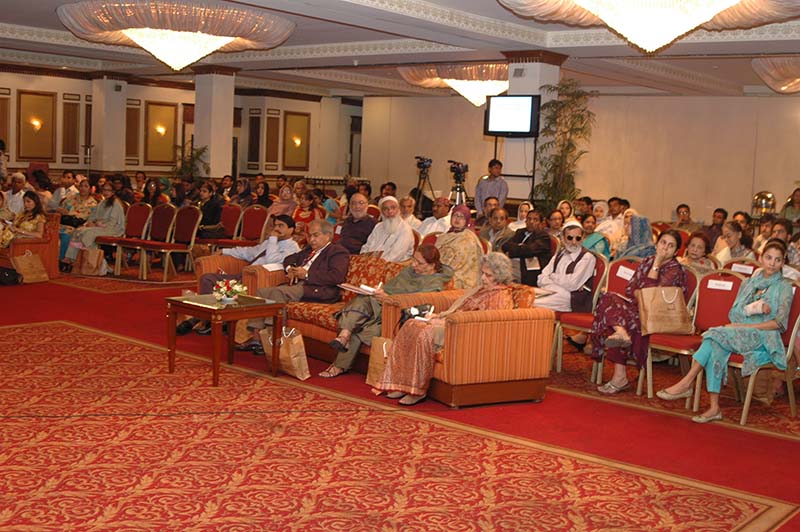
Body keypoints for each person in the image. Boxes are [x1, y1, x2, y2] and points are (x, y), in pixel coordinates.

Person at [657, 239, 793, 423]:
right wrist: (752, 310)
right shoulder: (749, 283)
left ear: (783, 262)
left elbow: (779, 323)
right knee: (715, 344)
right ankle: (714, 408)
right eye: (769, 258)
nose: (772, 263)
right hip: (739, 332)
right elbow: (734, 313)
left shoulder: (784, 287)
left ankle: (687, 382)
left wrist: (747, 326)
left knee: (713, 335)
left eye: (778, 260)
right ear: (761, 258)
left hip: (764, 337)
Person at [376, 252, 515, 406]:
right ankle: (402, 383)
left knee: (423, 332)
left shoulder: (500, 296)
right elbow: (459, 308)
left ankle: (416, 390)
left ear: (500, 277)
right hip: (452, 322)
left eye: (488, 275)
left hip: (464, 330)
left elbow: (486, 324)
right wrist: (440, 317)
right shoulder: (482, 289)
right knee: (410, 325)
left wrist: (444, 322)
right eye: (482, 273)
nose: (483, 278)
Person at [320, 244, 455, 378]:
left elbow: (419, 305)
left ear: (431, 265)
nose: (413, 264)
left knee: (362, 328)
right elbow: (390, 287)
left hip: (397, 313)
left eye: (419, 263)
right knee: (362, 299)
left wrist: (389, 299)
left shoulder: (435, 283)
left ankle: (339, 364)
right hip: (379, 304)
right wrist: (380, 291)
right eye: (413, 259)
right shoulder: (408, 271)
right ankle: (344, 334)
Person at [590, 230, 687, 394]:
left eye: (670, 246)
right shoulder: (647, 261)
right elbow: (630, 289)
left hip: (657, 316)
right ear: (657, 244)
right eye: (663, 242)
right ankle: (620, 334)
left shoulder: (674, 269)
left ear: (676, 252)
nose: (665, 248)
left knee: (621, 320)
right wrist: (640, 293)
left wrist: (657, 262)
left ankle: (620, 375)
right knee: (608, 297)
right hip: (636, 308)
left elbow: (650, 294)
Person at [176, 215, 300, 336]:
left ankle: (199, 319)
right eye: (275, 225)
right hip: (243, 275)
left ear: (291, 229)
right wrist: (224, 251)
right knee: (207, 278)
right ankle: (208, 319)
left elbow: (272, 259)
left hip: (256, 277)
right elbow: (249, 252)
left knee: (225, 283)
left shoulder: (292, 248)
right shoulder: (269, 243)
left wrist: (273, 240)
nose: (276, 229)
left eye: (281, 226)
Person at [239, 220, 349, 353]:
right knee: (262, 292)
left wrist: (307, 274)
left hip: (320, 289)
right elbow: (289, 259)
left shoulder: (337, 252)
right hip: (300, 285)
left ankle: (274, 339)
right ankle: (257, 338)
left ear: (328, 235)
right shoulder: (309, 250)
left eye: (316, 235)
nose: (311, 239)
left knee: (278, 293)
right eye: (309, 235)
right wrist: (290, 269)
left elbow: (337, 276)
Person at [62, 182, 125, 271]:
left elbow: (113, 222)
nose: (106, 192)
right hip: (100, 226)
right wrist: (89, 223)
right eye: (104, 190)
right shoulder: (102, 202)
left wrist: (97, 225)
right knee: (78, 230)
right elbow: (93, 216)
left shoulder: (116, 204)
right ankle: (70, 258)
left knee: (88, 233)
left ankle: (90, 261)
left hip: (112, 229)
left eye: (108, 190)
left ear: (113, 192)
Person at [536, 221, 597, 312]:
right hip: (551, 291)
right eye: (570, 238)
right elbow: (541, 278)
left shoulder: (587, 257)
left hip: (572, 299)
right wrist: (559, 282)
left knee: (531, 303)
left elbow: (572, 284)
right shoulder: (560, 254)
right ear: (562, 238)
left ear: (583, 238)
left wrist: (552, 276)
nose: (574, 242)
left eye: (578, 238)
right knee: (524, 296)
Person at [435, 204, 484, 289]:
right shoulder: (445, 236)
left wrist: (438, 272)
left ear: (467, 220)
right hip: (440, 270)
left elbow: (460, 264)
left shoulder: (468, 239)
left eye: (462, 217)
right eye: (455, 215)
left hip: (459, 277)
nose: (457, 219)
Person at [502, 210, 553, 287]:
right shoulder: (520, 232)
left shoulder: (543, 237)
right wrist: (521, 247)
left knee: (500, 275)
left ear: (541, 223)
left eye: (535, 220)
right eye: (529, 219)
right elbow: (505, 245)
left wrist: (515, 248)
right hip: (512, 263)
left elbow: (529, 250)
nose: (531, 222)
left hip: (528, 270)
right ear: (525, 221)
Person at [360, 196, 415, 263]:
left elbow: (395, 256)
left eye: (393, 208)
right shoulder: (378, 227)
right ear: (382, 212)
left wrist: (375, 263)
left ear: (398, 209)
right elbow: (367, 246)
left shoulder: (405, 229)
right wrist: (363, 257)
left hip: (394, 265)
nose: (390, 211)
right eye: (385, 209)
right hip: (371, 262)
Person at [57, 179, 98, 263]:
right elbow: (60, 209)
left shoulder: (93, 203)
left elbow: (87, 218)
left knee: (66, 235)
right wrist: (61, 211)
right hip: (63, 222)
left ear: (90, 189)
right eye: (81, 186)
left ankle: (61, 260)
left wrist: (70, 214)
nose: (83, 188)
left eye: (86, 186)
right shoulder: (71, 198)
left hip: (77, 226)